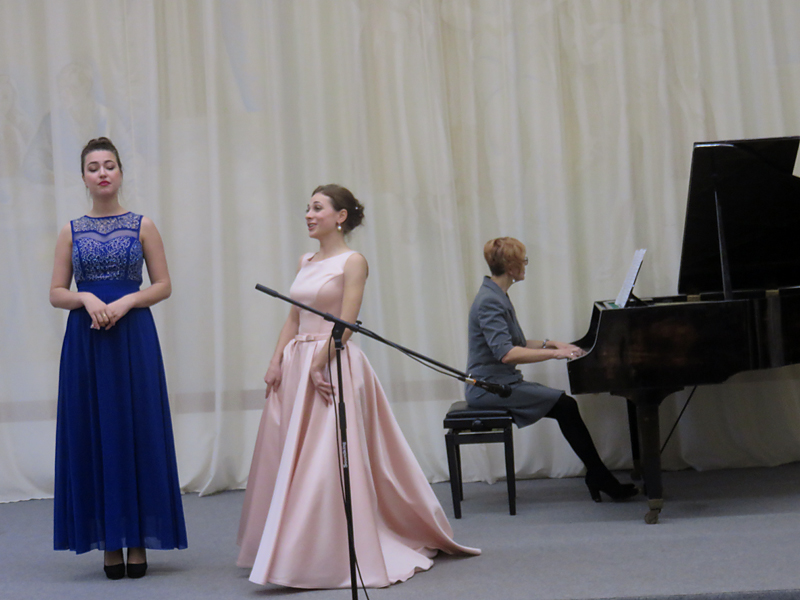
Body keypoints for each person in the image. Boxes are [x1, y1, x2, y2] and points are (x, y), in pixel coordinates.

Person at [237, 184, 479, 589]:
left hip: (332, 362)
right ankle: (289, 548)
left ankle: (319, 553)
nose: (309, 214)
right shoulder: (305, 260)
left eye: (318, 208)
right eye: (308, 208)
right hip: (298, 364)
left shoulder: (353, 262)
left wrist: (319, 363)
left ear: (341, 216)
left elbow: (347, 322)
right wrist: (276, 361)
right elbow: (294, 317)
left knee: (324, 461)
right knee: (292, 456)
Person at [49, 137, 187, 579]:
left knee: (137, 429)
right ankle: (109, 541)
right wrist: (86, 297)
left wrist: (128, 301)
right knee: (95, 431)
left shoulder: (143, 225)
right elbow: (56, 293)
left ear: (121, 173)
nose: (102, 173)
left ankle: (138, 537)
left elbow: (163, 285)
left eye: (109, 165)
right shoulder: (70, 230)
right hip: (87, 341)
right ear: (84, 177)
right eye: (93, 167)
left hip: (133, 338)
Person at [466, 237, 638, 502]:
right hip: (488, 388)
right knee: (565, 406)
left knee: (565, 407)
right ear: (511, 267)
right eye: (523, 260)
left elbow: (517, 343)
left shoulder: (497, 295)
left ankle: (598, 475)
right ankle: (599, 476)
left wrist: (554, 343)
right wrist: (555, 354)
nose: (526, 265)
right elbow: (507, 354)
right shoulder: (490, 301)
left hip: (501, 383)